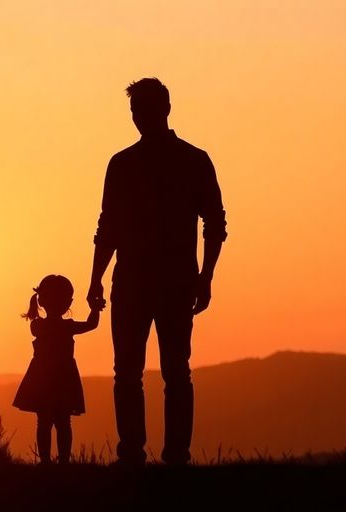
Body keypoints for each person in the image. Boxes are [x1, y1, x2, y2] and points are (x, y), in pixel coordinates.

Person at [87, 78, 228, 466]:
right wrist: (96, 278)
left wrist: (206, 276)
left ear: (165, 109)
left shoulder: (192, 160)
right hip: (135, 282)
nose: (139, 118)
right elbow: (108, 227)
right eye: (135, 112)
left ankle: (173, 455)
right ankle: (135, 453)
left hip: (171, 281)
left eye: (145, 110)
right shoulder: (123, 164)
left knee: (172, 371)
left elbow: (215, 224)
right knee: (132, 373)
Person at [13, 275, 100, 465]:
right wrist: (95, 309)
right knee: (63, 422)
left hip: (42, 377)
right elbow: (91, 324)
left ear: (41, 300)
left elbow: (90, 325)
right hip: (63, 377)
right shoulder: (64, 326)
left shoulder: (38, 325)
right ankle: (62, 462)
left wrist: (95, 310)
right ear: (68, 302)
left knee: (45, 422)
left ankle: (46, 461)